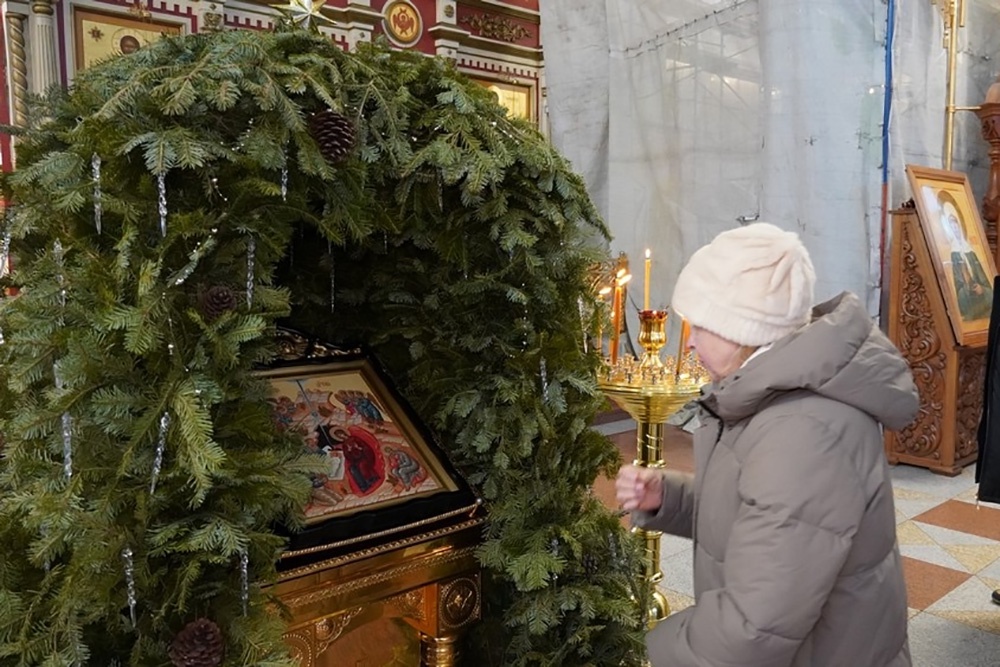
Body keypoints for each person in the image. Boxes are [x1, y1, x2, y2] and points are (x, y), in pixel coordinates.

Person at [616, 222, 918, 667]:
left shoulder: (803, 432)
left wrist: (642, 651)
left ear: (742, 328)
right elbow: (767, 516)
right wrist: (672, 498)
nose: (691, 339)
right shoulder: (774, 393)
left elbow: (751, 629)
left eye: (700, 324)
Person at [939, 197, 993, 322]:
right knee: (964, 302)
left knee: (992, 297)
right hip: (966, 296)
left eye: (956, 225)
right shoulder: (952, 255)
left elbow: (985, 281)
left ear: (960, 225)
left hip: (980, 293)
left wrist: (982, 289)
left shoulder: (971, 252)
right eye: (951, 227)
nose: (955, 229)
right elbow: (956, 287)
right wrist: (968, 288)